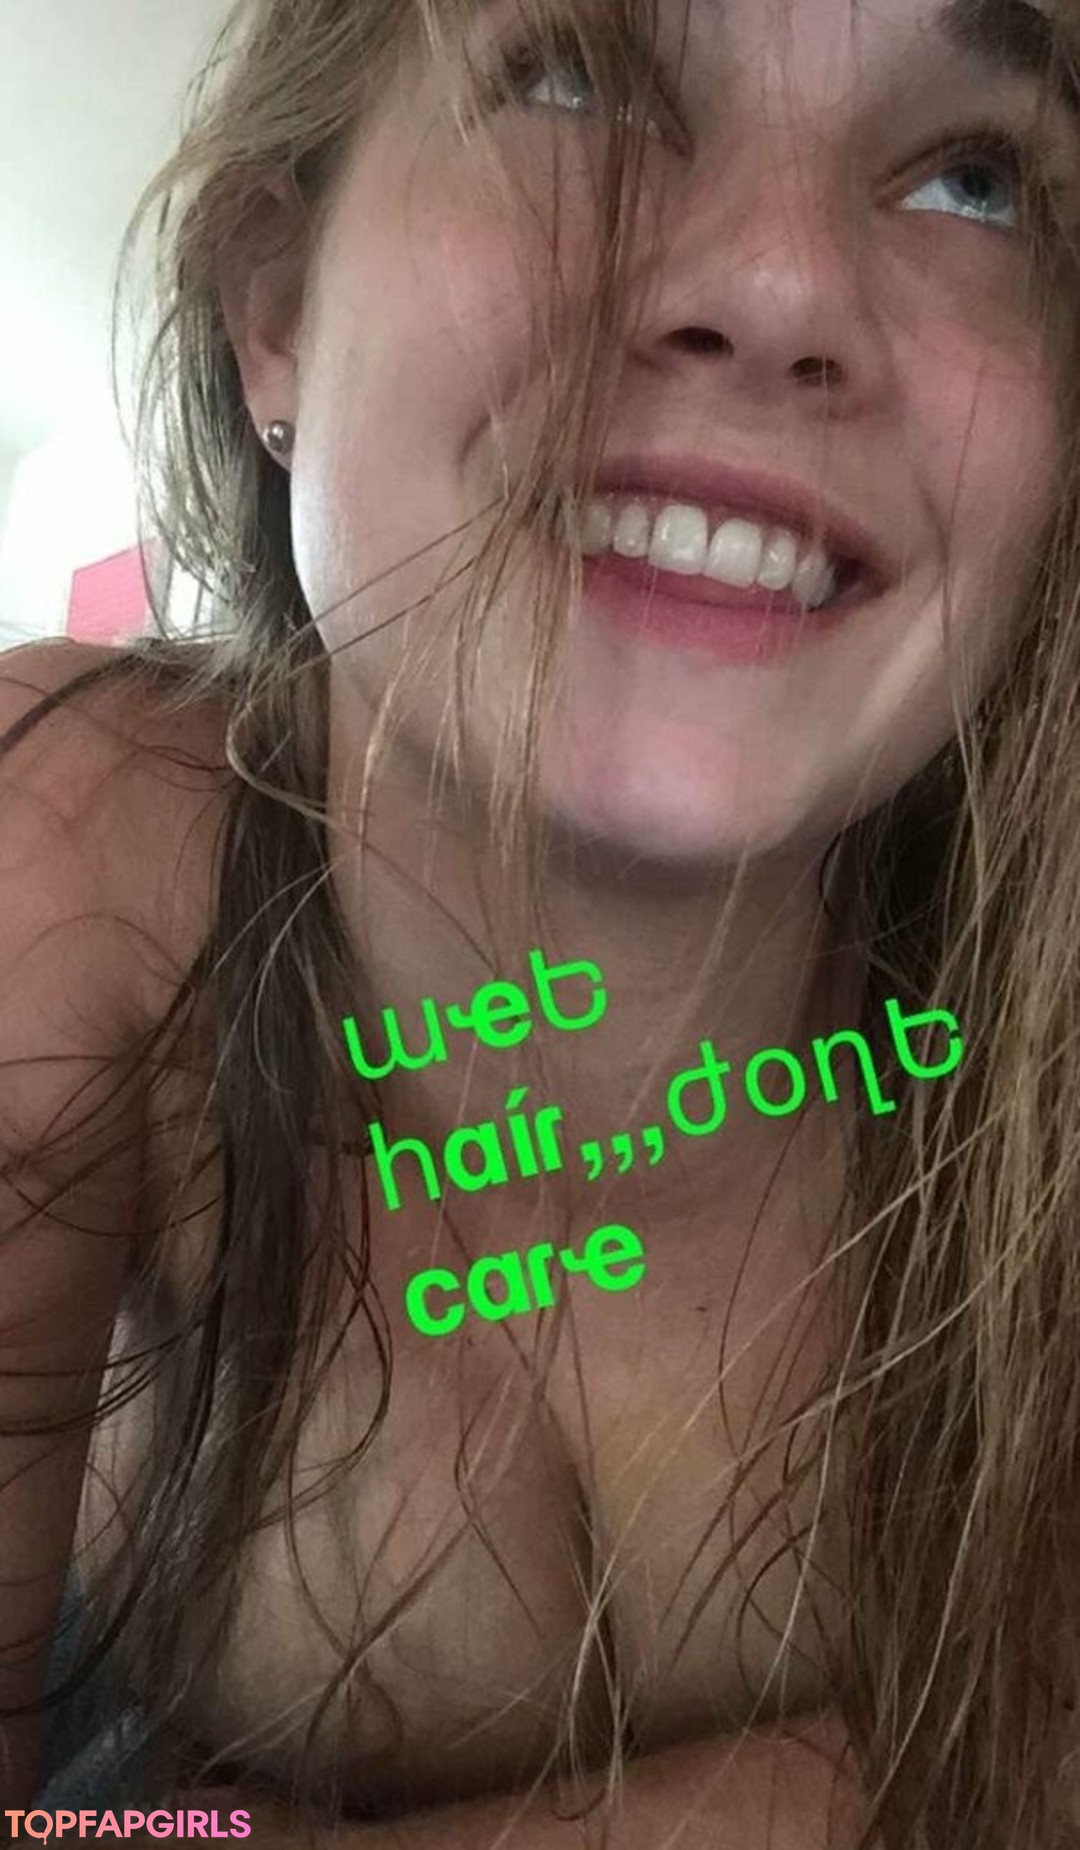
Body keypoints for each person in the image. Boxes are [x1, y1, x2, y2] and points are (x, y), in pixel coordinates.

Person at [3, 0, 1080, 1841]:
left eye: (976, 177)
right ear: (276, 304)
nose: (779, 285)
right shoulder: (69, 836)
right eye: (576, 76)